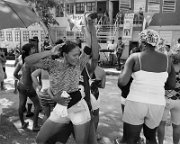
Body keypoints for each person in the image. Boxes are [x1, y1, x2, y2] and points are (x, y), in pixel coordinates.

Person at [25, 13, 99, 144]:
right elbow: (28, 60)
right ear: (64, 54)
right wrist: (49, 52)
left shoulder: (79, 64)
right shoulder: (52, 64)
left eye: (78, 55)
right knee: (40, 139)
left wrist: (89, 26)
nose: (78, 57)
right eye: (74, 55)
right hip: (60, 108)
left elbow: (89, 45)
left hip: (78, 107)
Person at [117, 29, 176, 144]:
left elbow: (122, 82)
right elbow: (171, 86)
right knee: (150, 137)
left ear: (143, 43)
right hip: (157, 103)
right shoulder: (167, 60)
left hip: (136, 101)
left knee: (131, 139)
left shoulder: (135, 57)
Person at [13, 43, 41, 131]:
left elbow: (15, 74)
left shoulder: (22, 61)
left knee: (21, 105)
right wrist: (39, 86)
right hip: (29, 88)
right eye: (33, 48)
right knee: (37, 105)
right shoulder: (32, 63)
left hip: (20, 86)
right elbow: (34, 76)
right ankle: (35, 126)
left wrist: (21, 79)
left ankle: (23, 123)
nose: (35, 50)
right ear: (29, 51)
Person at [157, 48, 180, 144]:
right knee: (177, 125)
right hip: (178, 101)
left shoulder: (166, 68)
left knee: (161, 124)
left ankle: (161, 143)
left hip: (165, 99)